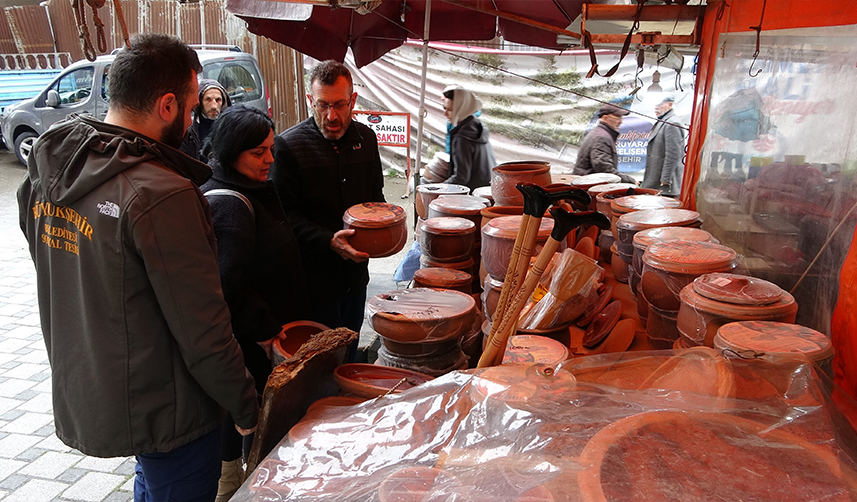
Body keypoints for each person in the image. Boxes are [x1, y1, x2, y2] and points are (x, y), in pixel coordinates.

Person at [17, 34, 259, 502]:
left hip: (108, 385)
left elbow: (61, 264)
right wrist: (245, 405)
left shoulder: (50, 167)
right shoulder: (161, 194)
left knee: (150, 483)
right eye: (191, 107)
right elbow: (204, 329)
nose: (193, 120)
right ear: (167, 105)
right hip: (172, 408)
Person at [199, 105, 310, 501]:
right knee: (243, 424)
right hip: (249, 345)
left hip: (264, 338)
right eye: (258, 152)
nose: (270, 159)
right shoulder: (229, 203)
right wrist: (264, 328)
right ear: (232, 152)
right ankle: (236, 488)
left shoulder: (255, 187)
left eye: (270, 148)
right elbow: (226, 286)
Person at [270, 60, 384, 361]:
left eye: (339, 105)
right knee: (319, 361)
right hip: (314, 281)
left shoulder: (367, 140)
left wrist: (387, 228)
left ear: (353, 101)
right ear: (311, 101)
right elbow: (283, 218)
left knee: (348, 347)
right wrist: (327, 240)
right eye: (322, 105)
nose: (331, 116)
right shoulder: (288, 146)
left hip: (356, 276)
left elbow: (376, 199)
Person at [441, 86, 495, 191]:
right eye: (444, 108)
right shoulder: (477, 126)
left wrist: (439, 188)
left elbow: (461, 177)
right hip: (488, 189)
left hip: (473, 196)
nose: (445, 114)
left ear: (461, 109)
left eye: (450, 110)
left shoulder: (462, 138)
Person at [573, 103, 637, 184]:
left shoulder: (599, 133)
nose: (621, 121)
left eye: (621, 118)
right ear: (605, 118)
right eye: (617, 117)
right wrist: (630, 180)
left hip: (587, 185)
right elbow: (603, 169)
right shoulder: (601, 137)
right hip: (589, 187)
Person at [641, 95, 686, 196]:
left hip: (664, 187)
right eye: (654, 105)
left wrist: (665, 180)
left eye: (659, 104)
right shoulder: (664, 121)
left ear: (670, 104)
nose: (656, 107)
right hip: (656, 183)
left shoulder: (672, 123)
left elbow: (673, 155)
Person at [181, 79, 232, 161]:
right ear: (200, 102)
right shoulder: (189, 130)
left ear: (223, 103)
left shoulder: (230, 128)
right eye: (208, 100)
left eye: (218, 100)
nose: (214, 106)